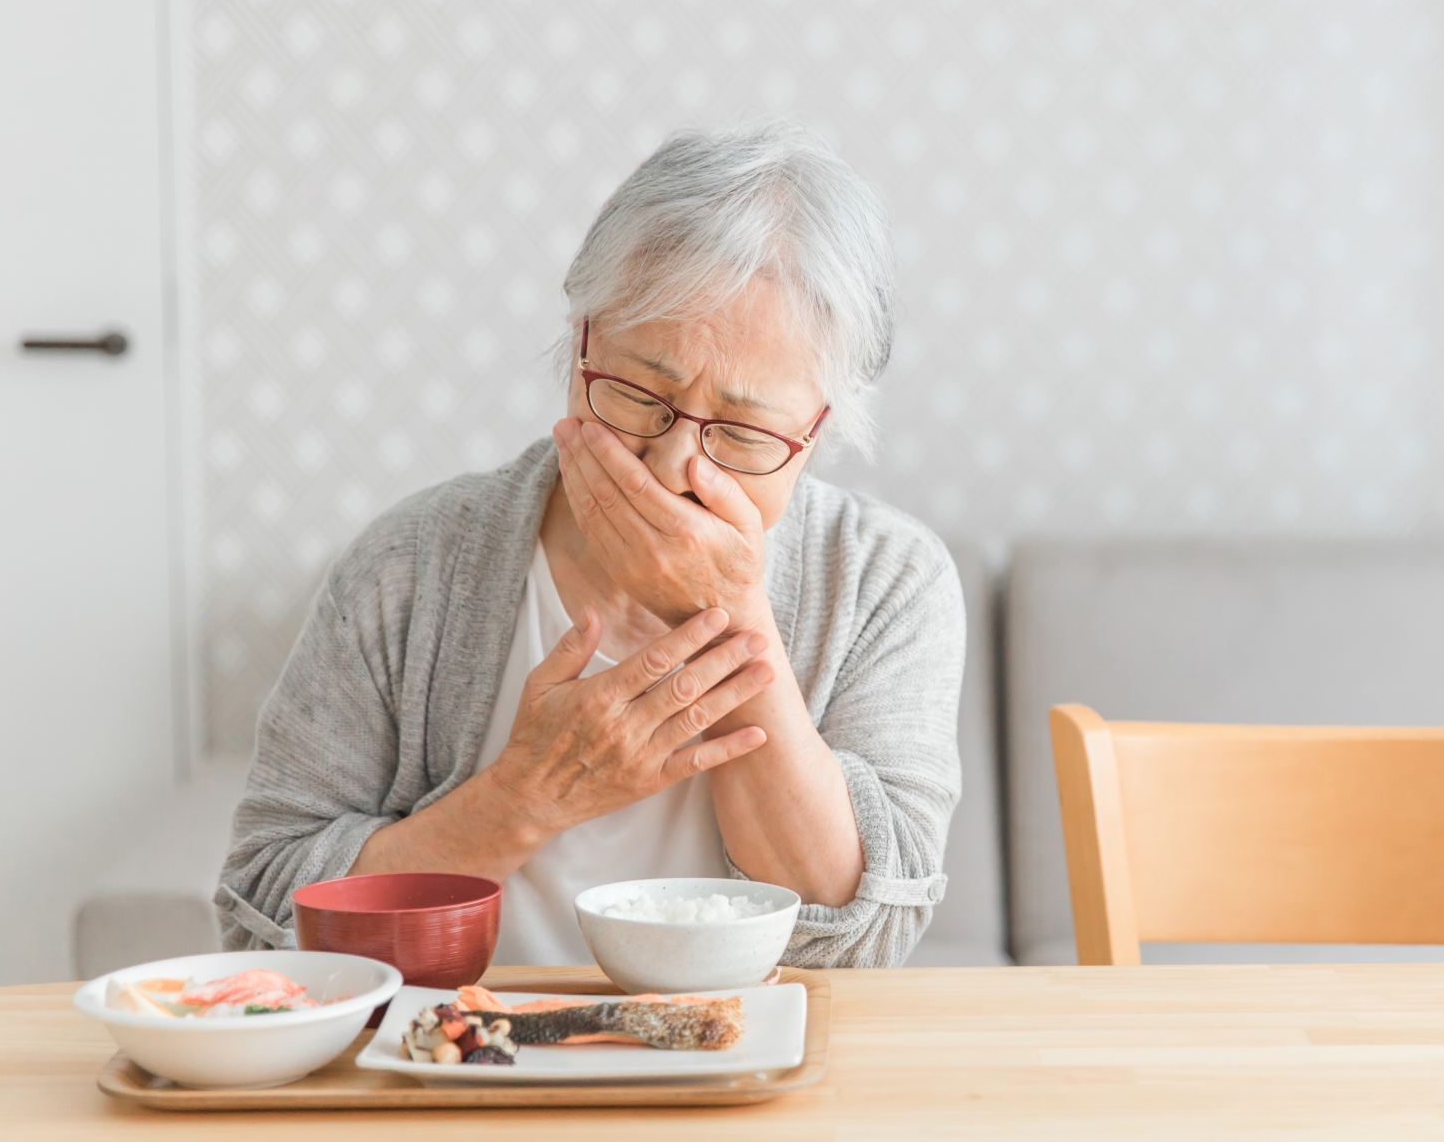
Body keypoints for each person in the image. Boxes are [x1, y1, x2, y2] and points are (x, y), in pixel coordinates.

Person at [215, 121, 963, 967]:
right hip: (461, 1070)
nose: (676, 465)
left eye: (744, 432)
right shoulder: (410, 568)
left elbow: (866, 941)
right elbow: (260, 917)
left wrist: (731, 610)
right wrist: (523, 797)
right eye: (641, 393)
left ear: (817, 431)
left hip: (753, 1079)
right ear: (580, 344)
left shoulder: (888, 581)